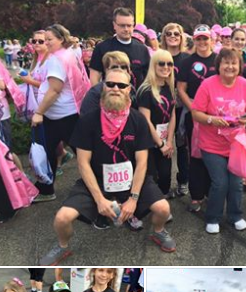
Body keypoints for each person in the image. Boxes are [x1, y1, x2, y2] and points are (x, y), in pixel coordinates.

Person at [39, 69, 175, 265]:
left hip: (130, 180)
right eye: (110, 84)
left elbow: (142, 161)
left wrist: (134, 199)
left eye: (121, 85)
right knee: (62, 218)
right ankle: (62, 246)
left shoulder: (137, 120)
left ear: (129, 90)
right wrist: (99, 199)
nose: (115, 89)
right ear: (103, 87)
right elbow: (83, 162)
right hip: (97, 180)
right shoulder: (88, 120)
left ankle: (159, 232)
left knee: (163, 209)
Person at [191, 47, 246, 234]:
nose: (230, 66)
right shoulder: (208, 84)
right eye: (226, 63)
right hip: (211, 144)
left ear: (240, 66)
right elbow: (196, 113)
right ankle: (213, 218)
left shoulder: (244, 85)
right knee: (220, 182)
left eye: (233, 63)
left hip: (236, 144)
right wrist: (211, 119)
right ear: (218, 65)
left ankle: (235, 215)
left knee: (236, 183)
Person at [31, 24, 90, 203]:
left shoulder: (57, 59)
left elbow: (55, 89)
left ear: (61, 39)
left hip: (61, 115)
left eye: (50, 39)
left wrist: (39, 112)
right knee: (53, 150)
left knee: (80, 153)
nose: (46, 43)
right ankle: (46, 188)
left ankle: (96, 185)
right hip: (67, 112)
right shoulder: (69, 54)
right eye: (45, 39)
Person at [177, 24, 217, 213]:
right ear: (195, 40)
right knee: (195, 155)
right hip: (193, 115)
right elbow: (181, 89)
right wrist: (194, 109)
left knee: (215, 154)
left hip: (216, 115)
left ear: (212, 40)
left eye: (205, 38)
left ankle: (212, 192)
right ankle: (196, 195)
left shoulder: (219, 61)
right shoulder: (187, 62)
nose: (202, 42)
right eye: (199, 39)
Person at [137, 50, 176, 199]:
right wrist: (160, 144)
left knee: (166, 174)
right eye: (161, 63)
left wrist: (169, 140)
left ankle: (163, 200)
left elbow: (172, 114)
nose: (166, 67)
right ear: (154, 65)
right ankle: (153, 204)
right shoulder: (146, 90)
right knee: (151, 175)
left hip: (165, 139)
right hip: (149, 141)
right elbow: (145, 120)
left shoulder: (170, 87)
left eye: (169, 64)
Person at [160, 22, 190, 197]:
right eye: (169, 33)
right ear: (164, 37)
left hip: (181, 108)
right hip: (162, 109)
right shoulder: (158, 56)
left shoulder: (186, 58)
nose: (173, 36)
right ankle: (164, 184)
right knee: (164, 145)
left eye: (176, 34)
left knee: (182, 146)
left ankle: (183, 181)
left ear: (181, 37)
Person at [89, 7, 149, 89]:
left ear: (133, 26)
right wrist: (98, 97)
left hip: (136, 99)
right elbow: (94, 77)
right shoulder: (102, 48)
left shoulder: (142, 49)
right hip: (110, 97)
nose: (126, 29)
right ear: (114, 25)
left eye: (129, 25)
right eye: (122, 25)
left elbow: (148, 78)